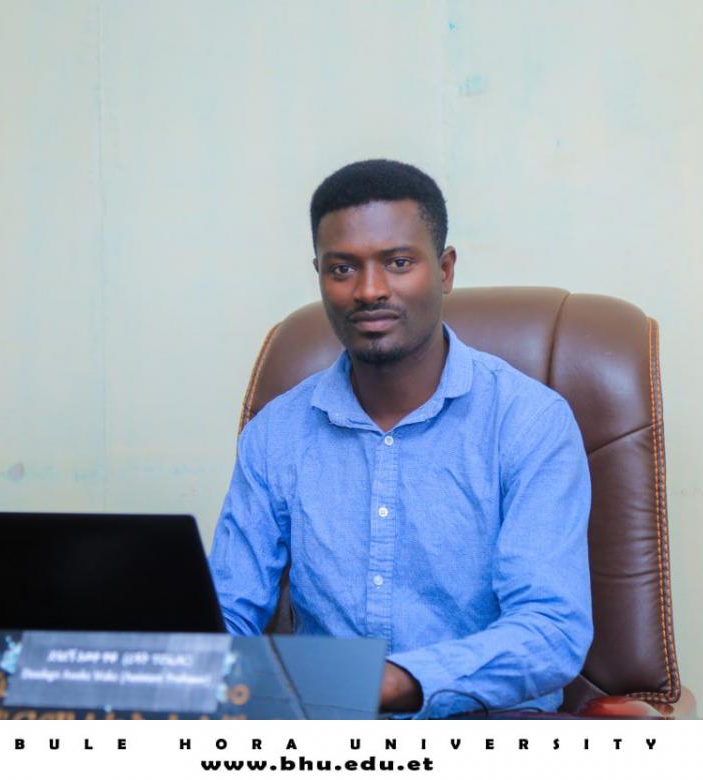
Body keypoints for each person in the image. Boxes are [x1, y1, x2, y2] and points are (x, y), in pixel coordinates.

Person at [209, 159, 593, 717]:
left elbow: (551, 631)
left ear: (445, 270)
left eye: (398, 262)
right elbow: (228, 615)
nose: (369, 291)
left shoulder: (529, 422)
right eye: (342, 268)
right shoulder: (276, 434)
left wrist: (394, 682)